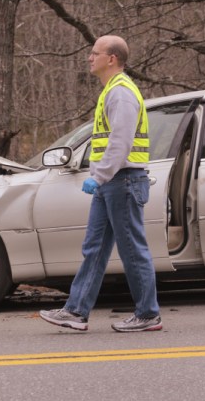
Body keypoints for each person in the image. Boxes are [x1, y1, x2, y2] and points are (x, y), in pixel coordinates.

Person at [39, 35, 162, 332]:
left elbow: (121, 142)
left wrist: (99, 176)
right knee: (94, 248)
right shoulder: (111, 92)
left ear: (112, 59)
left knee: (132, 249)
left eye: (95, 53)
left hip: (123, 181)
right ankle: (76, 311)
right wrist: (101, 179)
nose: (89, 58)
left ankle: (148, 314)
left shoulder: (121, 92)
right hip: (113, 183)